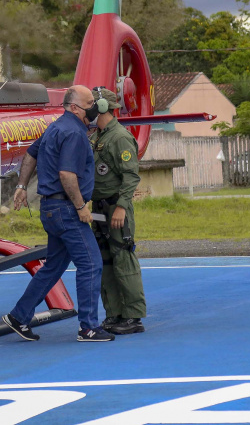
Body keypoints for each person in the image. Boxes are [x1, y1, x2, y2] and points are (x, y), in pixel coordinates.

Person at [4, 85, 115, 342]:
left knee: (54, 266)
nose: (94, 108)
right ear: (75, 107)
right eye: (89, 103)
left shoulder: (56, 127)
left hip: (50, 209)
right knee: (90, 263)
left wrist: (21, 186)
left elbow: (31, 154)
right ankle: (88, 327)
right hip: (66, 210)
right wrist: (80, 207)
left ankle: (18, 316)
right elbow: (67, 174)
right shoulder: (74, 133)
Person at [88, 87, 146, 335]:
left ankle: (133, 316)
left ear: (102, 107)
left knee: (123, 256)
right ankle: (114, 313)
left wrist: (121, 206)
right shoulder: (97, 137)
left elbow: (131, 176)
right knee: (105, 260)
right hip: (99, 208)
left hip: (115, 207)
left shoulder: (119, 137)